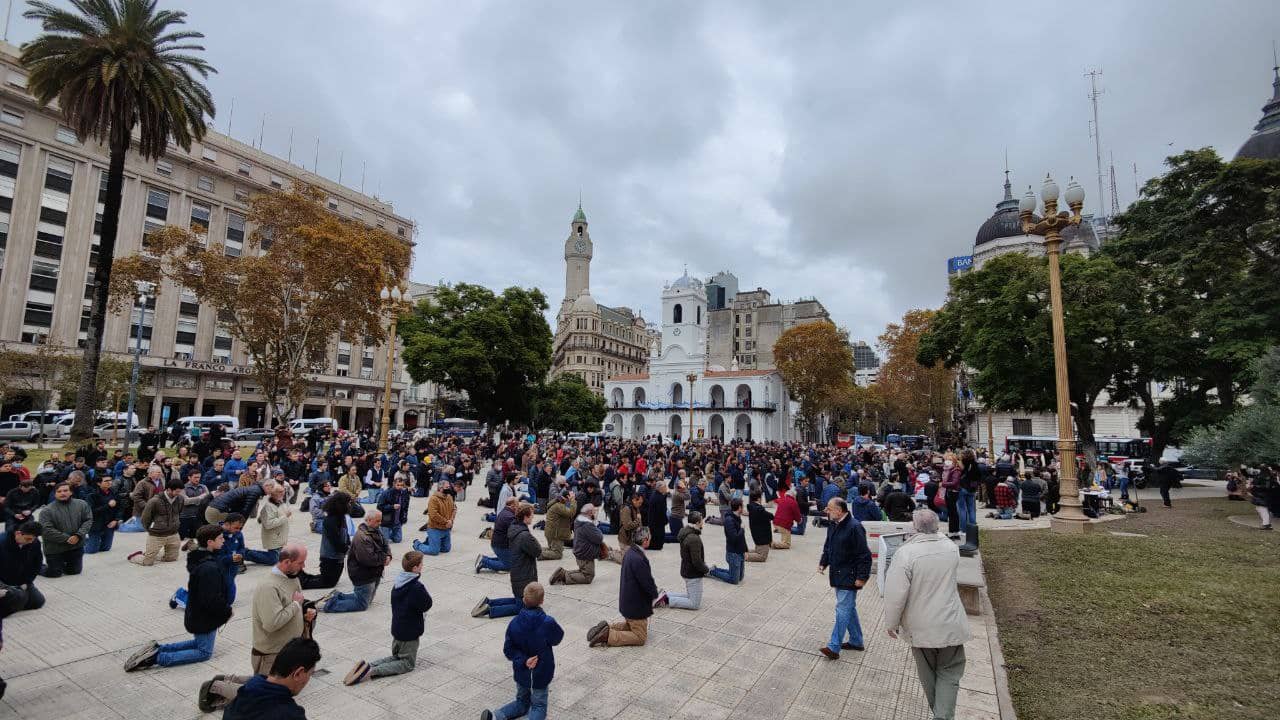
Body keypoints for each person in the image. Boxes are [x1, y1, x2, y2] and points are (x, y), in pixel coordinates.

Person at [201, 544, 316, 711]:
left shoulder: (292, 577)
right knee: (264, 696)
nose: (303, 566)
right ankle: (217, 688)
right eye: (301, 562)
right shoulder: (268, 587)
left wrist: (305, 615)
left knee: (270, 685)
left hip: (286, 649)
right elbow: (272, 623)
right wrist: (296, 606)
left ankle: (228, 679)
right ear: (287, 562)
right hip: (271, 652)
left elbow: (292, 608)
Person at [883, 509, 972, 720]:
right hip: (950, 621)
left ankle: (941, 715)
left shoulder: (906, 553)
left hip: (921, 625)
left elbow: (896, 594)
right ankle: (943, 714)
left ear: (914, 528)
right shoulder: (951, 548)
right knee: (950, 673)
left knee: (928, 674)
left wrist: (891, 623)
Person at [124, 524, 233, 671]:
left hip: (197, 612)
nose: (223, 540)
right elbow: (211, 597)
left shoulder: (201, 558)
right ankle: (156, 657)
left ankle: (159, 649)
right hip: (204, 616)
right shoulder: (209, 567)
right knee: (204, 652)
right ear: (210, 542)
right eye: (220, 538)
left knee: (199, 644)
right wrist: (226, 610)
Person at [344, 550, 433, 685]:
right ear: (415, 568)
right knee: (407, 663)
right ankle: (371, 672)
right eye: (421, 564)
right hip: (409, 634)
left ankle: (369, 665)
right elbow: (427, 604)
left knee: (396, 657)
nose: (422, 566)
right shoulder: (416, 587)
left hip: (397, 630)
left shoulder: (398, 583)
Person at [481, 582, 563, 720]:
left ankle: (495, 717)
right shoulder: (548, 622)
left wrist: (524, 660)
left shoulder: (514, 623)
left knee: (521, 702)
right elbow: (557, 638)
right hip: (541, 672)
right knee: (538, 706)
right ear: (542, 601)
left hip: (522, 670)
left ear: (524, 599)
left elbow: (508, 650)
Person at [818, 498, 872, 660]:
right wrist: (823, 562)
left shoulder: (855, 527)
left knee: (842, 608)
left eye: (829, 509)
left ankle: (833, 647)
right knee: (848, 608)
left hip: (850, 575)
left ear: (840, 510)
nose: (826, 511)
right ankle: (856, 641)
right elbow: (829, 546)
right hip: (837, 573)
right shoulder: (833, 524)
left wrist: (862, 577)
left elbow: (864, 555)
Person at [588, 526, 658, 647]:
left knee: (631, 626)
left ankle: (607, 627)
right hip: (636, 608)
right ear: (645, 541)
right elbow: (647, 583)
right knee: (640, 637)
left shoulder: (630, 552)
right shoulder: (639, 559)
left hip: (627, 604)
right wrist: (655, 595)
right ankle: (608, 636)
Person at [220, 637, 320, 720]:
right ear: (298, 673)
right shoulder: (290, 715)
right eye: (310, 674)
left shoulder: (244, 693)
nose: (308, 680)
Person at [472, 503, 541, 620]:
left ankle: (490, 602)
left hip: (518, 572)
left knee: (520, 601)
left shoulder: (515, 527)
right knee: (521, 607)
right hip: (524, 575)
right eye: (532, 515)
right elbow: (538, 551)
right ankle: (490, 609)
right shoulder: (524, 535)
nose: (533, 517)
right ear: (525, 516)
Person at [323, 509, 392, 613]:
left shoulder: (376, 529)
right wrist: (384, 559)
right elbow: (368, 559)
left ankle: (337, 596)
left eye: (380, 520)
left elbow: (385, 544)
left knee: (365, 599)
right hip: (363, 574)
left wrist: (389, 556)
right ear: (368, 520)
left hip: (374, 572)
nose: (380, 523)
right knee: (361, 604)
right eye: (377, 521)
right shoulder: (362, 537)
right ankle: (329, 605)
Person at [654, 511, 707, 610]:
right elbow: (697, 561)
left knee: (690, 596)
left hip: (687, 570)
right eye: (701, 521)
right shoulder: (694, 538)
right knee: (694, 604)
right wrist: (706, 569)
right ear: (697, 523)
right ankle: (666, 600)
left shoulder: (687, 533)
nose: (702, 523)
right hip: (693, 573)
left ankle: (666, 595)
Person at [38, 482, 92, 577]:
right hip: (55, 548)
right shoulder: (46, 510)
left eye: (65, 490)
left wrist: (78, 535)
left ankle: (61, 564)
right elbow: (46, 530)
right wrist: (67, 538)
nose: (62, 493)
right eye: (59, 491)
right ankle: (38, 566)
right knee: (54, 573)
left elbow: (88, 520)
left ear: (71, 492)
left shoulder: (82, 504)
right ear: (55, 494)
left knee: (74, 571)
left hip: (76, 545)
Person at [128, 478, 184, 566]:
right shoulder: (154, 501)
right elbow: (145, 518)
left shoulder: (180, 499)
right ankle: (135, 556)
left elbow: (178, 513)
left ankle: (152, 554)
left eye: (180, 491)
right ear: (169, 489)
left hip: (173, 533)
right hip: (157, 534)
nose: (178, 494)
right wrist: (151, 529)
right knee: (147, 562)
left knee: (171, 558)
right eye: (177, 491)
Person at [302, 490, 351, 590]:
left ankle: (302, 577)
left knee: (329, 580)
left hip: (337, 557)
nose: (350, 505)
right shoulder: (331, 520)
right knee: (328, 582)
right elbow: (335, 541)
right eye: (348, 503)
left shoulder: (341, 517)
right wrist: (348, 550)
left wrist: (349, 545)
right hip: (330, 558)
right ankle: (301, 583)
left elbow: (345, 534)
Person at [550, 503, 603, 585]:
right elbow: (599, 538)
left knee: (584, 572)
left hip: (581, 551)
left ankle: (562, 573)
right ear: (590, 513)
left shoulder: (579, 520)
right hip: (585, 554)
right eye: (594, 511)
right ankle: (563, 575)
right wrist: (595, 524)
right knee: (587, 576)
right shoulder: (587, 525)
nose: (596, 513)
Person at [0, 521, 45, 616]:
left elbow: (36, 565)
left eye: (33, 539)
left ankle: (15, 601)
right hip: (3, 582)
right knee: (19, 597)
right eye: (28, 539)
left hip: (20, 581)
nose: (31, 542)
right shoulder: (2, 542)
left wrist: (27, 581)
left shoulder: (34, 543)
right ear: (18, 533)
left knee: (38, 601)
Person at [248, 481, 291, 566]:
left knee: (281, 558)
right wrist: (285, 517)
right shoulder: (268, 506)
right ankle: (246, 553)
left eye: (283, 492)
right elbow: (269, 524)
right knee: (273, 560)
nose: (283, 494)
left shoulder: (280, 502)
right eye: (280, 492)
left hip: (280, 537)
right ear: (273, 494)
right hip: (274, 538)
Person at [708, 498, 747, 584]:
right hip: (733, 553)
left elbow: (741, 539)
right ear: (739, 508)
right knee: (734, 580)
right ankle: (712, 571)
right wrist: (742, 529)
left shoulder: (737, 516)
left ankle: (715, 569)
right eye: (743, 506)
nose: (744, 508)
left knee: (740, 577)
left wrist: (744, 551)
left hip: (739, 552)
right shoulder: (729, 520)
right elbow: (734, 538)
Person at [475, 497, 518, 573]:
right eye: (517, 505)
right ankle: (484, 561)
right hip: (501, 546)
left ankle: (484, 559)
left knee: (510, 560)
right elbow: (516, 532)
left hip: (498, 544)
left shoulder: (505, 512)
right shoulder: (509, 517)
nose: (518, 507)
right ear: (513, 506)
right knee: (509, 566)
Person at [415, 480, 457, 555]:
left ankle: (430, 541)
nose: (449, 488)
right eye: (447, 487)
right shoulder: (434, 499)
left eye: (449, 487)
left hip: (446, 528)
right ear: (441, 488)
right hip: (435, 528)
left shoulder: (449, 497)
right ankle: (417, 544)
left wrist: (451, 520)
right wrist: (446, 522)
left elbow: (454, 509)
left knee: (446, 549)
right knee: (434, 551)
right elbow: (433, 515)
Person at [84, 473, 122, 554]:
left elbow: (120, 508)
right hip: (96, 524)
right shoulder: (92, 495)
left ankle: (92, 540)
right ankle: (83, 541)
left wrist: (115, 520)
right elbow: (91, 512)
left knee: (105, 548)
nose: (109, 482)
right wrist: (107, 505)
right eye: (106, 481)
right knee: (91, 550)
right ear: (99, 483)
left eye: (110, 480)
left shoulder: (114, 492)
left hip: (109, 523)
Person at [538, 490, 575, 560]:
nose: (573, 497)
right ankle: (538, 554)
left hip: (551, 532)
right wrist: (573, 501)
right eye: (572, 496)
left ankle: (537, 550)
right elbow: (571, 513)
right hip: (555, 534)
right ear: (567, 497)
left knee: (552, 549)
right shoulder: (558, 506)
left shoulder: (557, 502)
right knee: (557, 554)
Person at [376, 475, 411, 544]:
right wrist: (392, 507)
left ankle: (389, 533)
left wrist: (404, 518)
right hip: (387, 520)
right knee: (385, 541)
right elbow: (379, 506)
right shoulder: (386, 493)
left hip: (397, 521)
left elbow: (405, 507)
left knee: (398, 540)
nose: (400, 487)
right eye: (398, 485)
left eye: (401, 485)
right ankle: (381, 532)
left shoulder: (404, 493)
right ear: (394, 484)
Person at [744, 490, 774, 562]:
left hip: (757, 534)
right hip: (762, 536)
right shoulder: (758, 509)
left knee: (759, 550)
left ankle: (742, 551)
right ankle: (743, 555)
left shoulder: (752, 507)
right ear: (758, 498)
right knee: (762, 556)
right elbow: (770, 516)